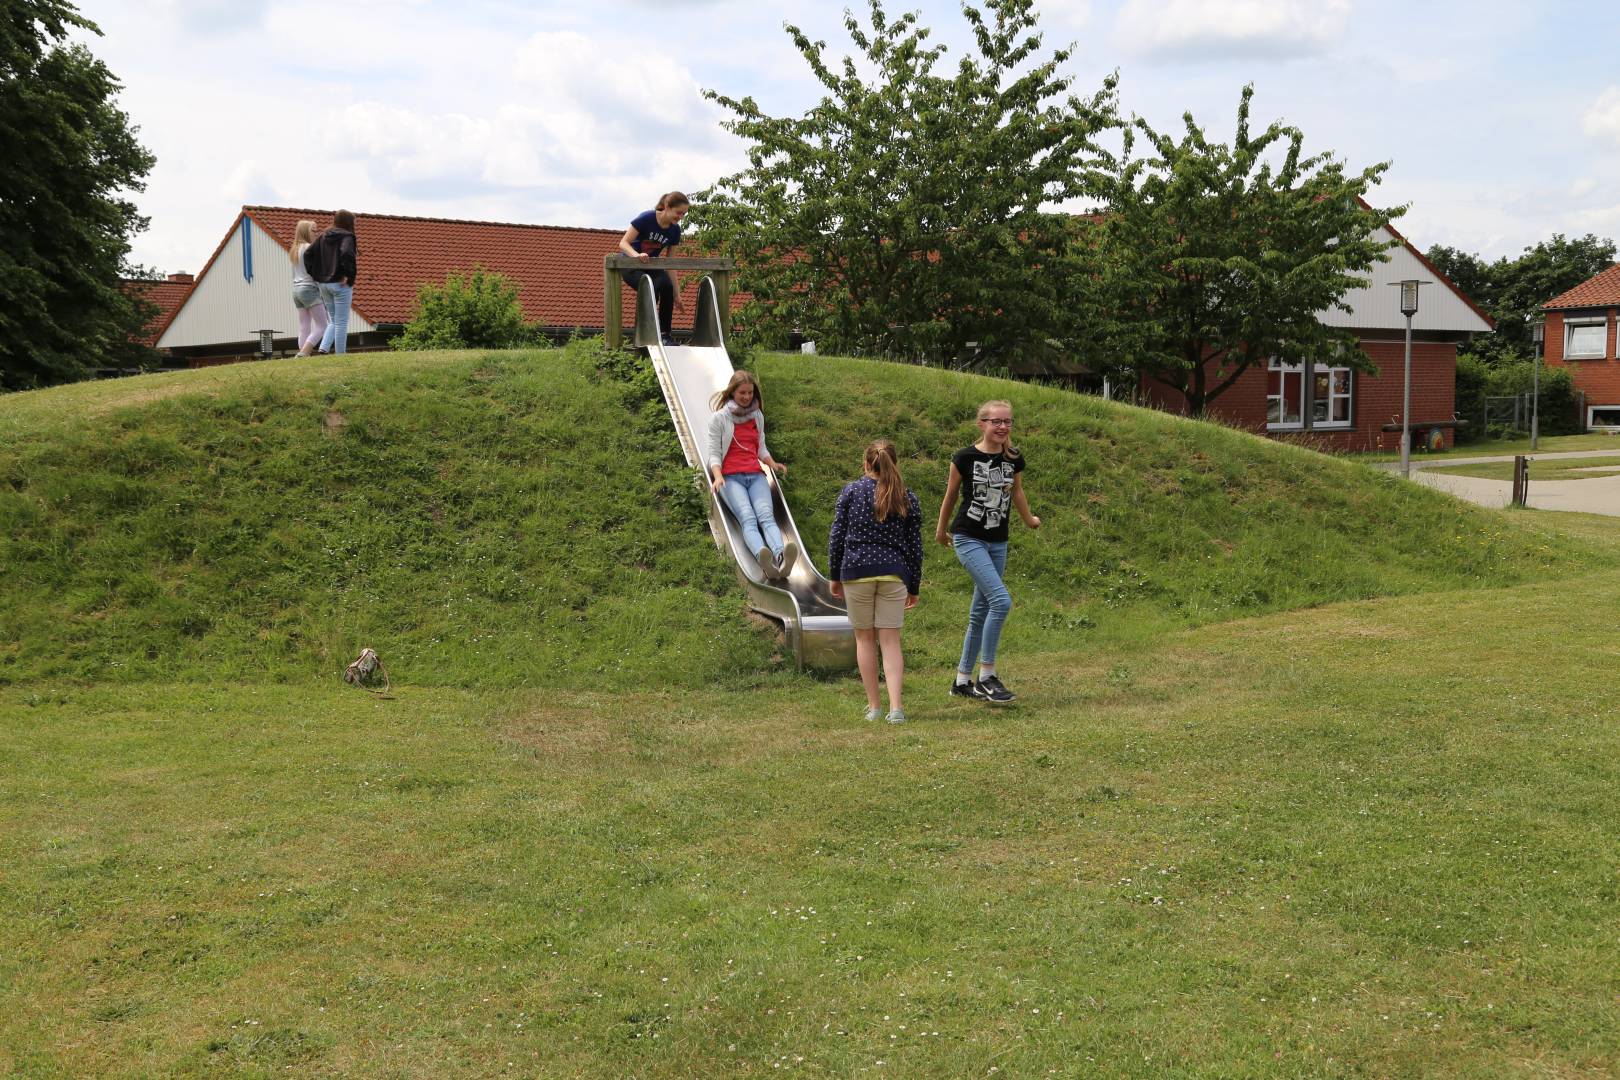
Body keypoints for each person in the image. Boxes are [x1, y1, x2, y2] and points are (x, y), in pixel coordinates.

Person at [935, 399, 1040, 704]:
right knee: (1001, 601)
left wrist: (1029, 519)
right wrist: (941, 530)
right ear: (982, 424)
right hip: (969, 537)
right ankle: (987, 676)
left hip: (999, 541)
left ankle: (962, 680)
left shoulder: (1013, 458)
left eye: (1007, 422)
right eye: (996, 421)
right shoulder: (964, 457)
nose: (1003, 427)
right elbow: (951, 495)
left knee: (981, 611)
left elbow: (1017, 491)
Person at [828, 439, 922, 724]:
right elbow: (915, 546)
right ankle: (896, 709)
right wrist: (914, 585)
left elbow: (837, 537)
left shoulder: (852, 492)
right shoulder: (906, 496)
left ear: (866, 463)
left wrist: (834, 576)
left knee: (864, 638)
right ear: (895, 462)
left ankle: (874, 707)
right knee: (890, 640)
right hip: (894, 574)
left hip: (857, 572)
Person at [706, 370, 797, 580]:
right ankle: (763, 557)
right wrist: (718, 476)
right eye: (742, 393)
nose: (747, 397)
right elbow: (713, 453)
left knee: (766, 516)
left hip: (755, 476)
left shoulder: (757, 416)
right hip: (730, 478)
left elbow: (760, 447)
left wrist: (772, 463)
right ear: (732, 393)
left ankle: (781, 557)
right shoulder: (719, 419)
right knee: (748, 517)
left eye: (750, 393)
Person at [619, 192, 689, 345]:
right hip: (630, 265)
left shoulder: (675, 231)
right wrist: (636, 255)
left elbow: (670, 263)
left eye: (684, 214)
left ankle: (665, 335)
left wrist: (677, 294)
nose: (681, 217)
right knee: (652, 286)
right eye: (678, 212)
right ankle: (647, 332)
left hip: (650, 266)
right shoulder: (646, 218)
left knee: (666, 286)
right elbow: (623, 243)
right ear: (667, 207)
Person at [308, 209, 358, 355]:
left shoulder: (323, 236)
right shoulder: (347, 236)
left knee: (333, 320)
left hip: (324, 283)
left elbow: (308, 255)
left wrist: (316, 275)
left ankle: (324, 348)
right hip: (340, 283)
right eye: (354, 222)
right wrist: (347, 275)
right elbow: (347, 254)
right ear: (348, 223)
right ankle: (340, 354)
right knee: (341, 321)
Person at [289, 220, 329, 357]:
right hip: (309, 289)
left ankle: (302, 353)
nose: (316, 234)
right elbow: (317, 271)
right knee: (323, 325)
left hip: (296, 291)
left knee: (304, 325)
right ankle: (304, 353)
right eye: (313, 230)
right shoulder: (309, 248)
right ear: (306, 231)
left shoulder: (294, 249)